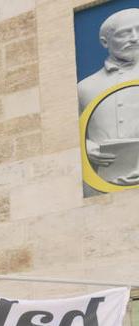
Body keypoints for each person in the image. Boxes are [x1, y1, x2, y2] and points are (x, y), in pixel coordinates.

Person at [77, 8, 139, 191]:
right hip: (102, 181)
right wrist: (84, 147)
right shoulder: (84, 87)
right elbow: (64, 136)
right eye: (124, 33)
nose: (135, 38)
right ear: (105, 42)